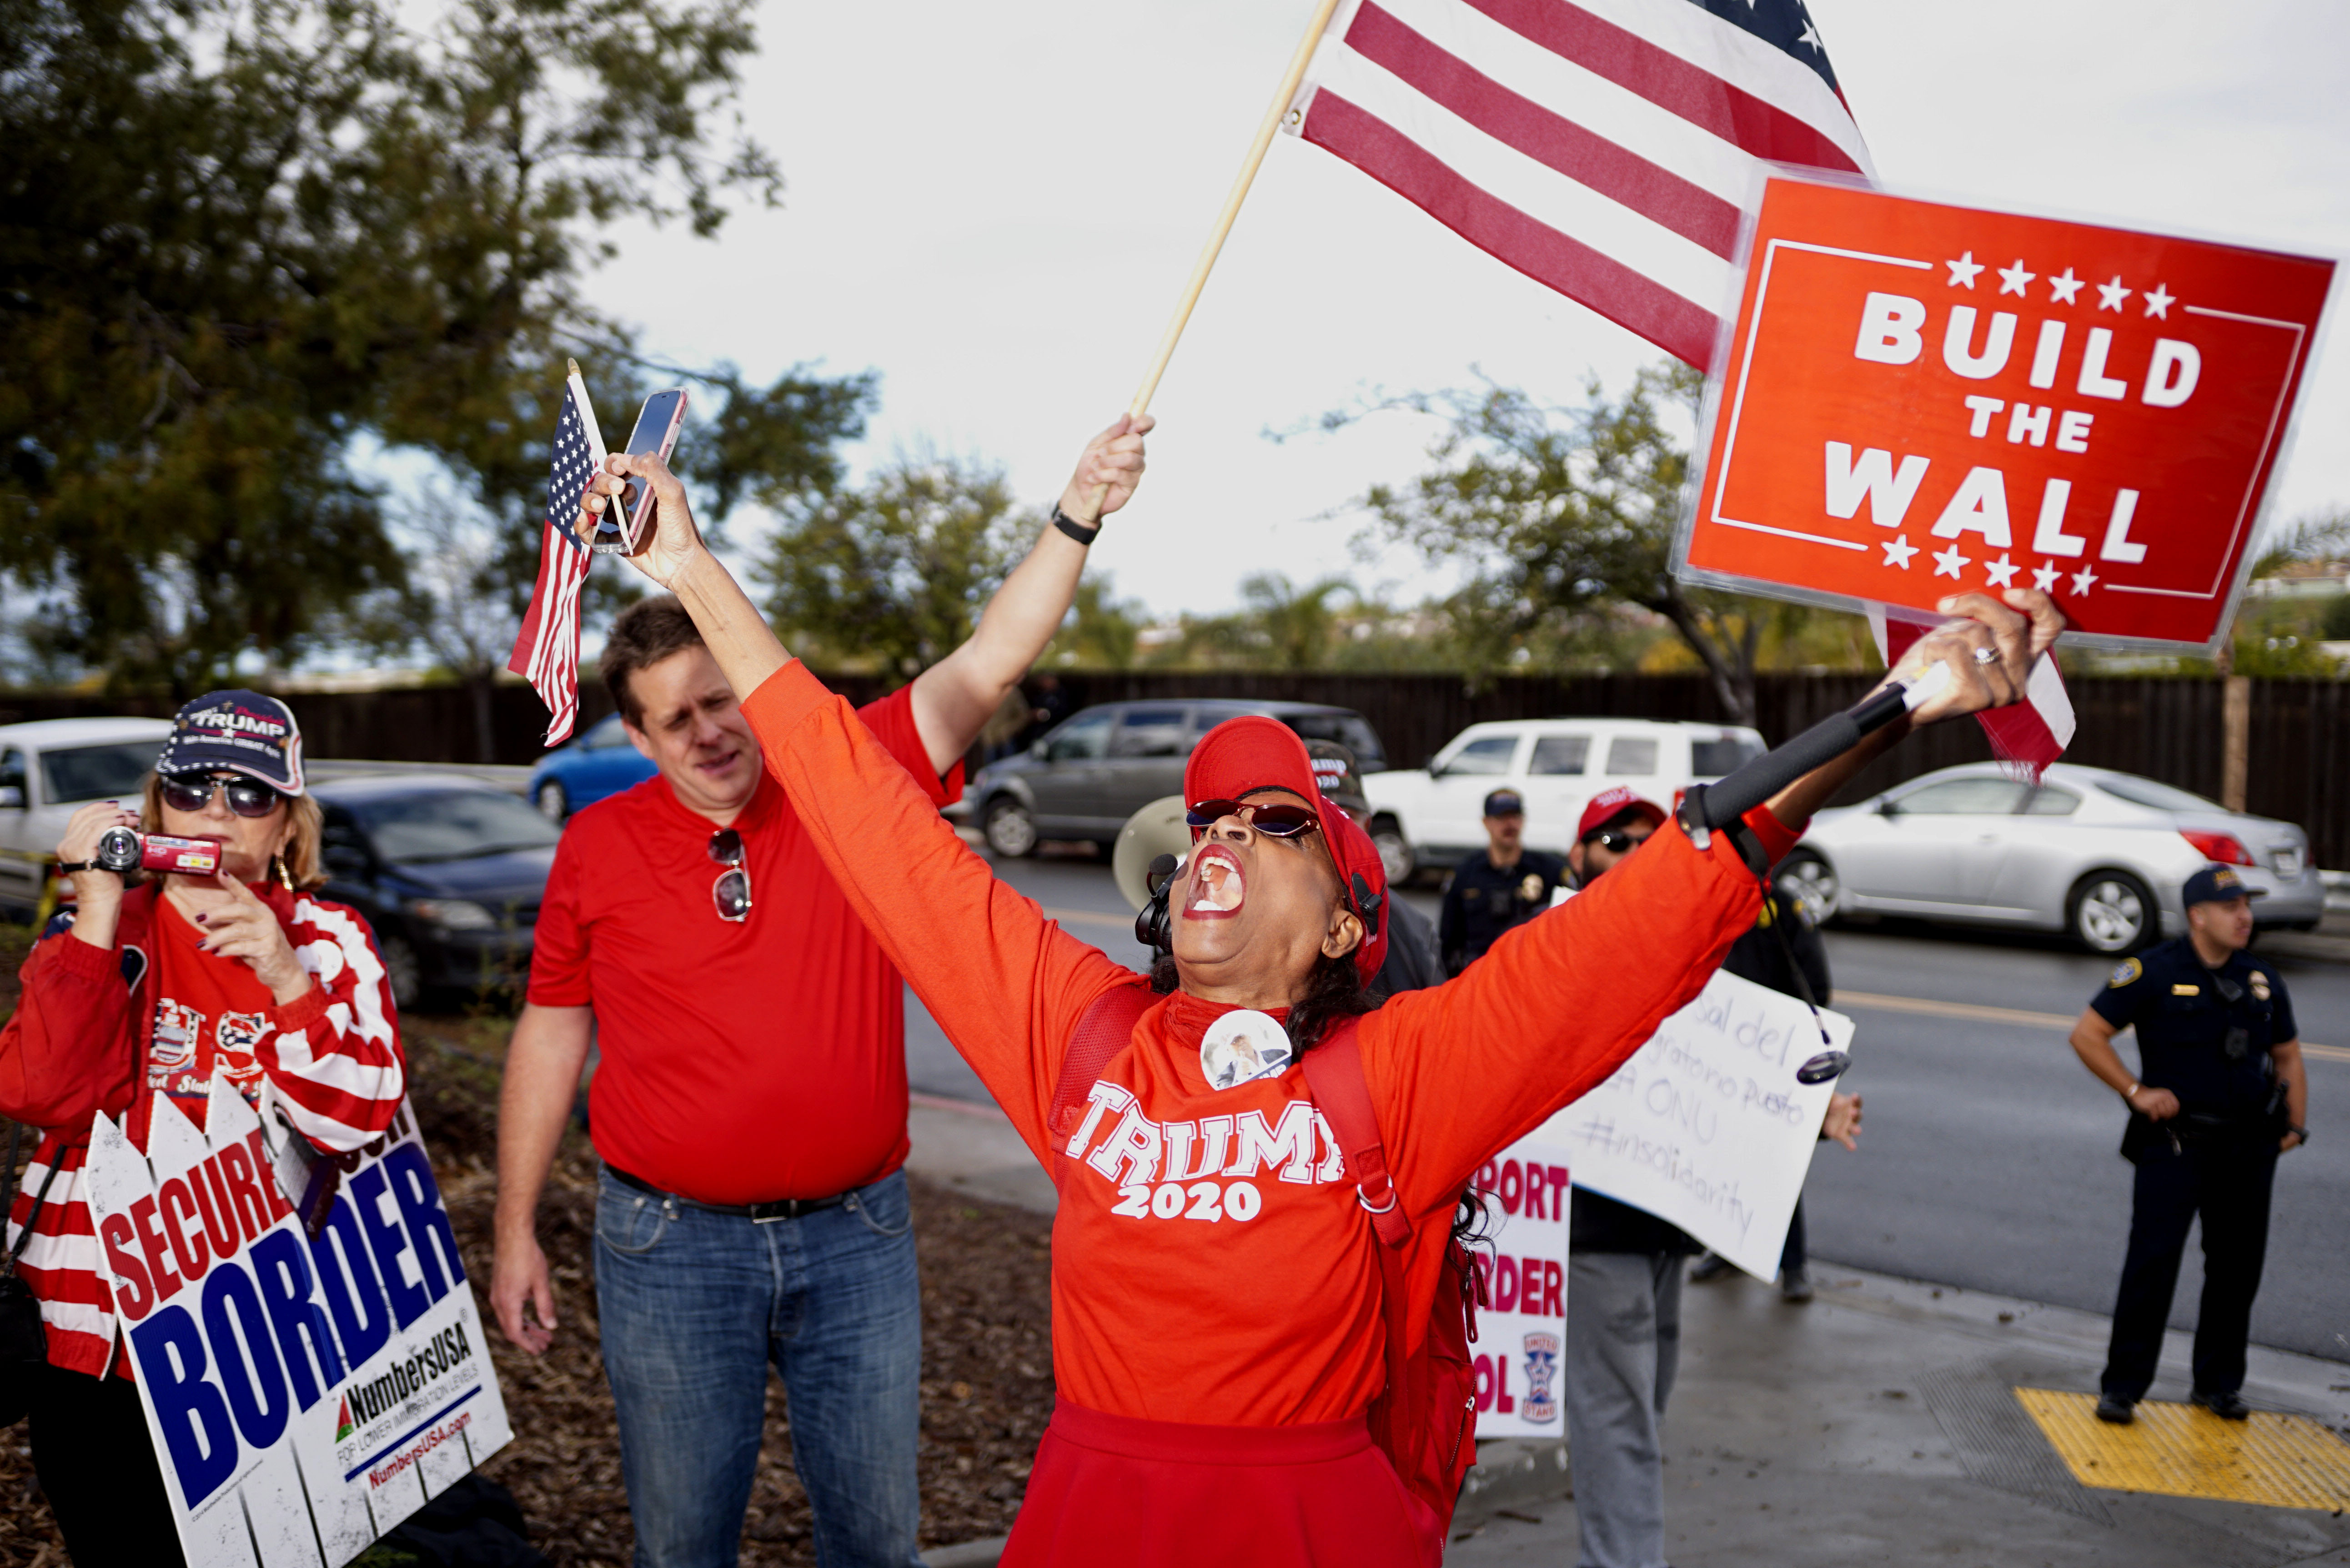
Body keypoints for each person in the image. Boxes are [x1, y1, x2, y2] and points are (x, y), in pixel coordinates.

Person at [572, 439, 2056, 1566]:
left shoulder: (1397, 1075)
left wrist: (1892, 710)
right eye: (1205, 820)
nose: (1216, 834)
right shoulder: (1080, 1035)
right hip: (1089, 1511)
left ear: (1346, 916)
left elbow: (1653, 910)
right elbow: (855, 801)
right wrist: (692, 565)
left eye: (1270, 824)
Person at [489, 416, 1153, 1568]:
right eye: (676, 717)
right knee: (683, 1546)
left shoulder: (851, 771)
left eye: (719, 698)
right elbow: (552, 1031)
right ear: (639, 736)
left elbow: (990, 659)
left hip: (857, 1240)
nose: (710, 731)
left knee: (874, 1544)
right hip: (669, 1247)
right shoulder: (595, 847)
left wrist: (1079, 509)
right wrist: (513, 1227)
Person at [0, 691, 405, 1565]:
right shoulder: (101, 929)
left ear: (288, 829)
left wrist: (285, 974)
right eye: (190, 785)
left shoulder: (329, 939)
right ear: (155, 808)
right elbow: (43, 1094)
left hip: (257, 1334)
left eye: (251, 793)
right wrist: (99, 908)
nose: (216, 809)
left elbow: (357, 1113)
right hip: (91, 1334)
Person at [1558, 793, 1860, 1568]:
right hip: (1593, 1225)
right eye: (1610, 840)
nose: (1628, 850)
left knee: (1640, 1408)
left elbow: (1738, 1069)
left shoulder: (1691, 945)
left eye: (1643, 840)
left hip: (1669, 1224)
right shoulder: (1555, 947)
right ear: (1577, 857)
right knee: (1617, 1418)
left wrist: (1808, 1111)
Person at [2069, 864, 2308, 1425]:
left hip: (2247, 1148)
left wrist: (2294, 1124)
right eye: (2230, 908)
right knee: (2151, 1265)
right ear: (2197, 916)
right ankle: (2123, 1387)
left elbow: (2288, 1053)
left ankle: (2218, 1385)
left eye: (2245, 906)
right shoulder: (2151, 971)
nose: (2243, 916)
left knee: (2235, 1270)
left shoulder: (2262, 979)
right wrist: (2134, 1091)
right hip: (2174, 1145)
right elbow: (2087, 1034)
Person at [1688, 882, 1837, 1301]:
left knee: (1776, 1163)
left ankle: (1793, 1267)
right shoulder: (1711, 897)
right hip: (1719, 1052)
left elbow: (1816, 985)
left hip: (1773, 1054)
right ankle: (1727, 1249)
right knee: (1721, 1154)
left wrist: (1796, 1045)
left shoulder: (1784, 904)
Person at [1307, 741, 1442, 996]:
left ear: (1367, 825)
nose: (1331, 833)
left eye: (1345, 816)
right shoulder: (1239, 929)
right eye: (1316, 817)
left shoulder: (1414, 930)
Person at [1438, 788, 1567, 976]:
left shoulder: (1549, 870)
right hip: (1478, 975)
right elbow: (1448, 939)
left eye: (1515, 817)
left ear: (1523, 820)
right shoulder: (1465, 874)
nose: (1510, 824)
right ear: (1486, 823)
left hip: (1532, 973)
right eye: (1501, 818)